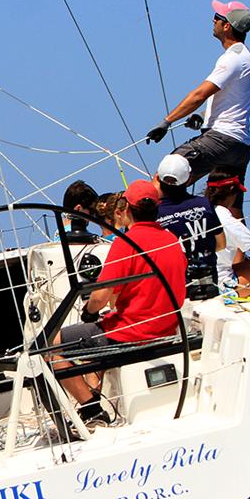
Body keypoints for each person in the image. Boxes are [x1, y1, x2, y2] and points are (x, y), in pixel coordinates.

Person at [51, 180, 187, 422]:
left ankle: (91, 409)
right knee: (98, 333)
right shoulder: (172, 241)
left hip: (133, 333)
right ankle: (95, 395)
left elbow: (100, 297)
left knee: (50, 345)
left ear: (125, 208)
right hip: (167, 328)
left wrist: (89, 312)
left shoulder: (126, 243)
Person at [146, 0, 250, 213]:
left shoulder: (232, 58)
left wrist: (166, 122)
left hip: (221, 139)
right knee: (231, 209)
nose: (213, 20)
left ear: (227, 26)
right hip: (240, 145)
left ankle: (147, 237)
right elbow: (233, 99)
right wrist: (204, 115)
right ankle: (243, 247)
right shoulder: (248, 58)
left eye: (218, 17)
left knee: (166, 176)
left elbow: (198, 94)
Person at [155, 154, 225, 300]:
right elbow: (221, 244)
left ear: (157, 178)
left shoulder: (155, 214)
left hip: (173, 290)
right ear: (189, 178)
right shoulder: (205, 204)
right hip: (209, 284)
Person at [62, 180, 102, 244]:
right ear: (78, 209)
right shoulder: (80, 239)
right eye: (92, 211)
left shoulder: (60, 236)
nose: (94, 216)